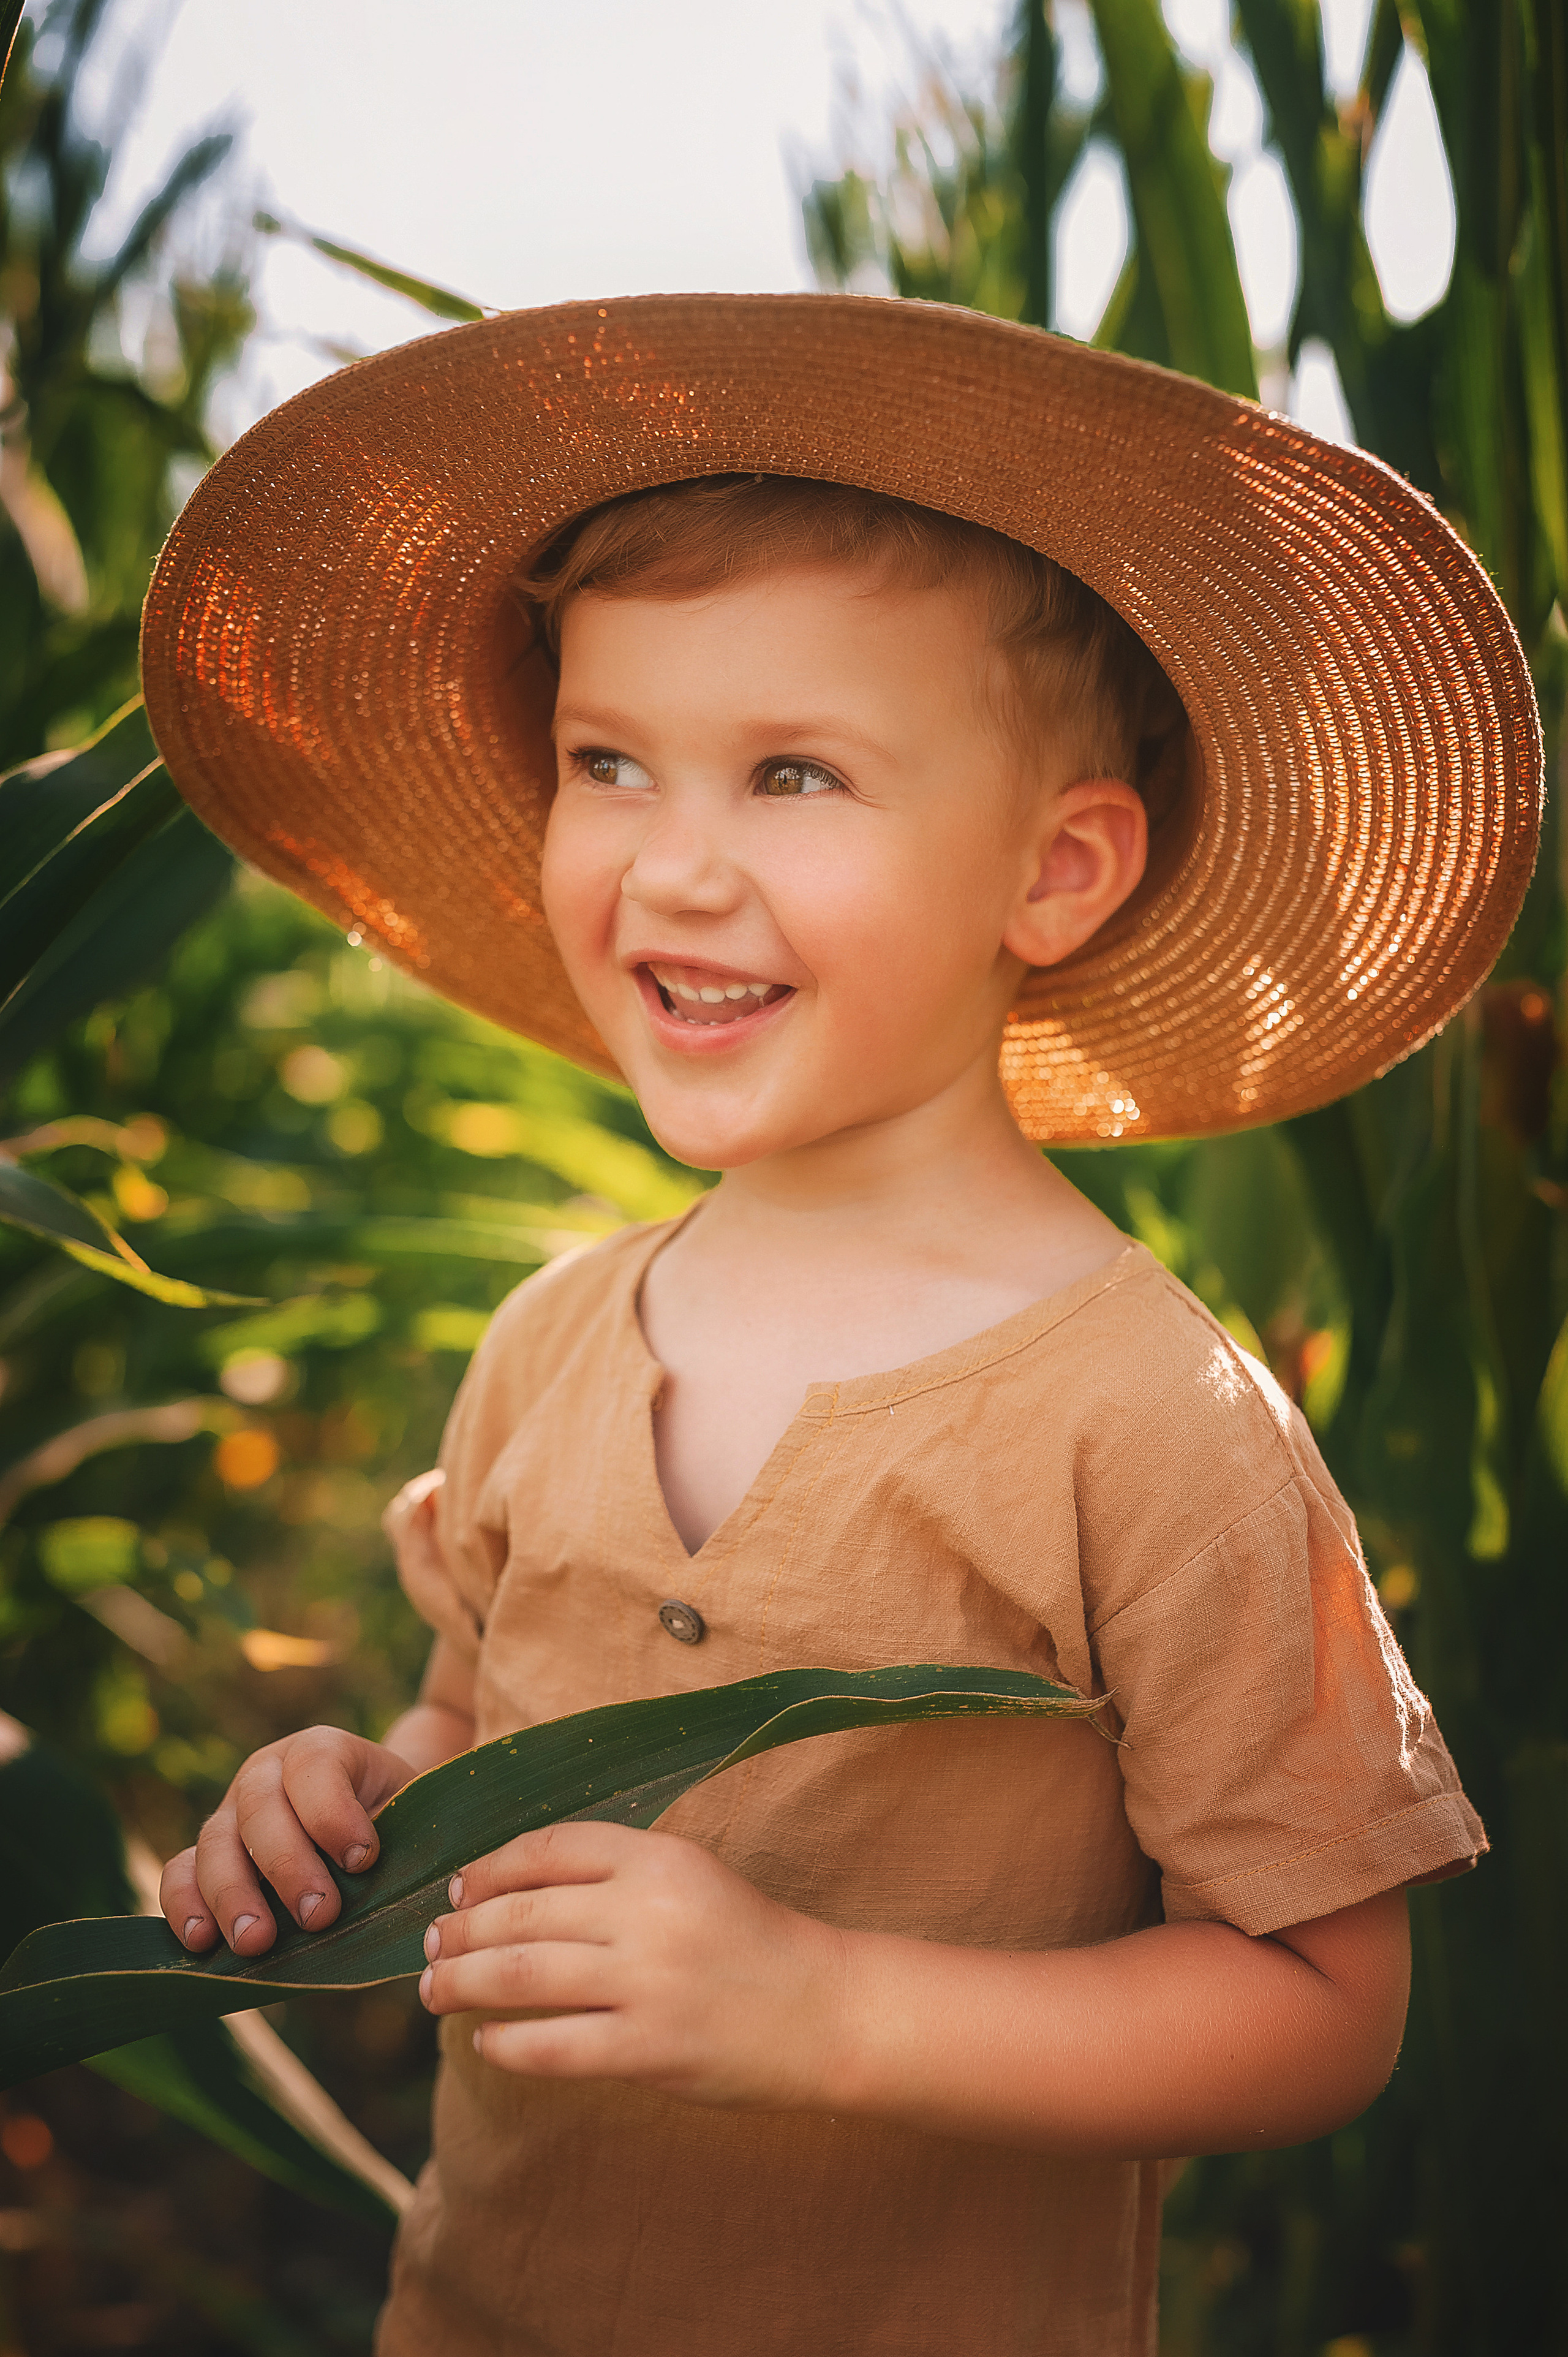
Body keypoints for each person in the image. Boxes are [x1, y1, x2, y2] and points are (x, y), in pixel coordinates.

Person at [141, 295, 1537, 2356]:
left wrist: (826, 2008)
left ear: (1054, 873)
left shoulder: (1144, 1415)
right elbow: (475, 1752)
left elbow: (1325, 2009)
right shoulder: (550, 1341)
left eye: (793, 773)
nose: (676, 866)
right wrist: (353, 1804)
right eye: (607, 762)